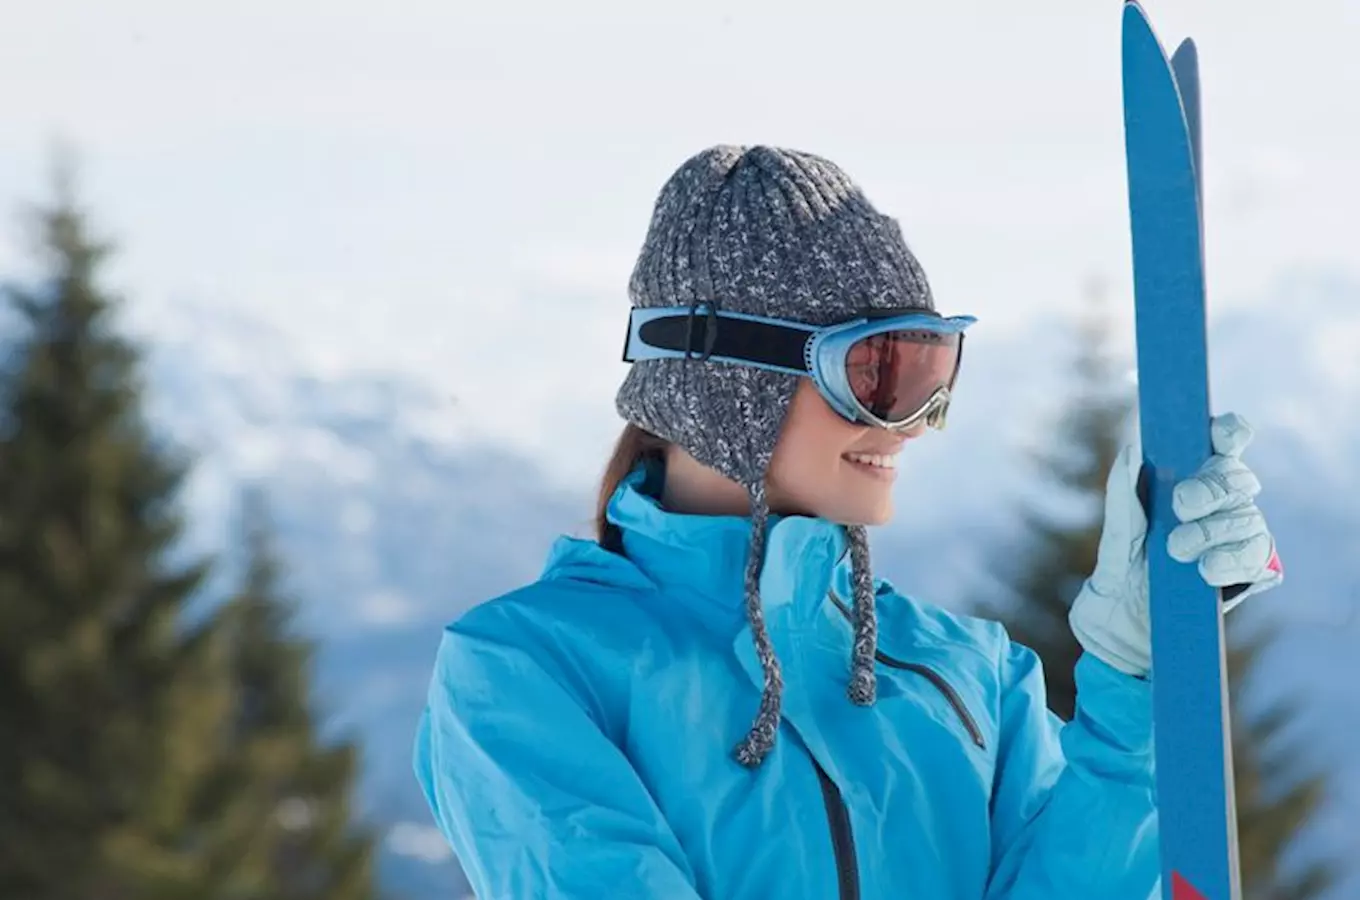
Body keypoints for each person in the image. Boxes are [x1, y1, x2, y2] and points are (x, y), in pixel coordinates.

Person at [413, 145, 1284, 899]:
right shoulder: (529, 670)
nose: (910, 422)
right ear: (728, 379)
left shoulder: (969, 675)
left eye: (934, 372)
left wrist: (1134, 690)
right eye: (879, 372)